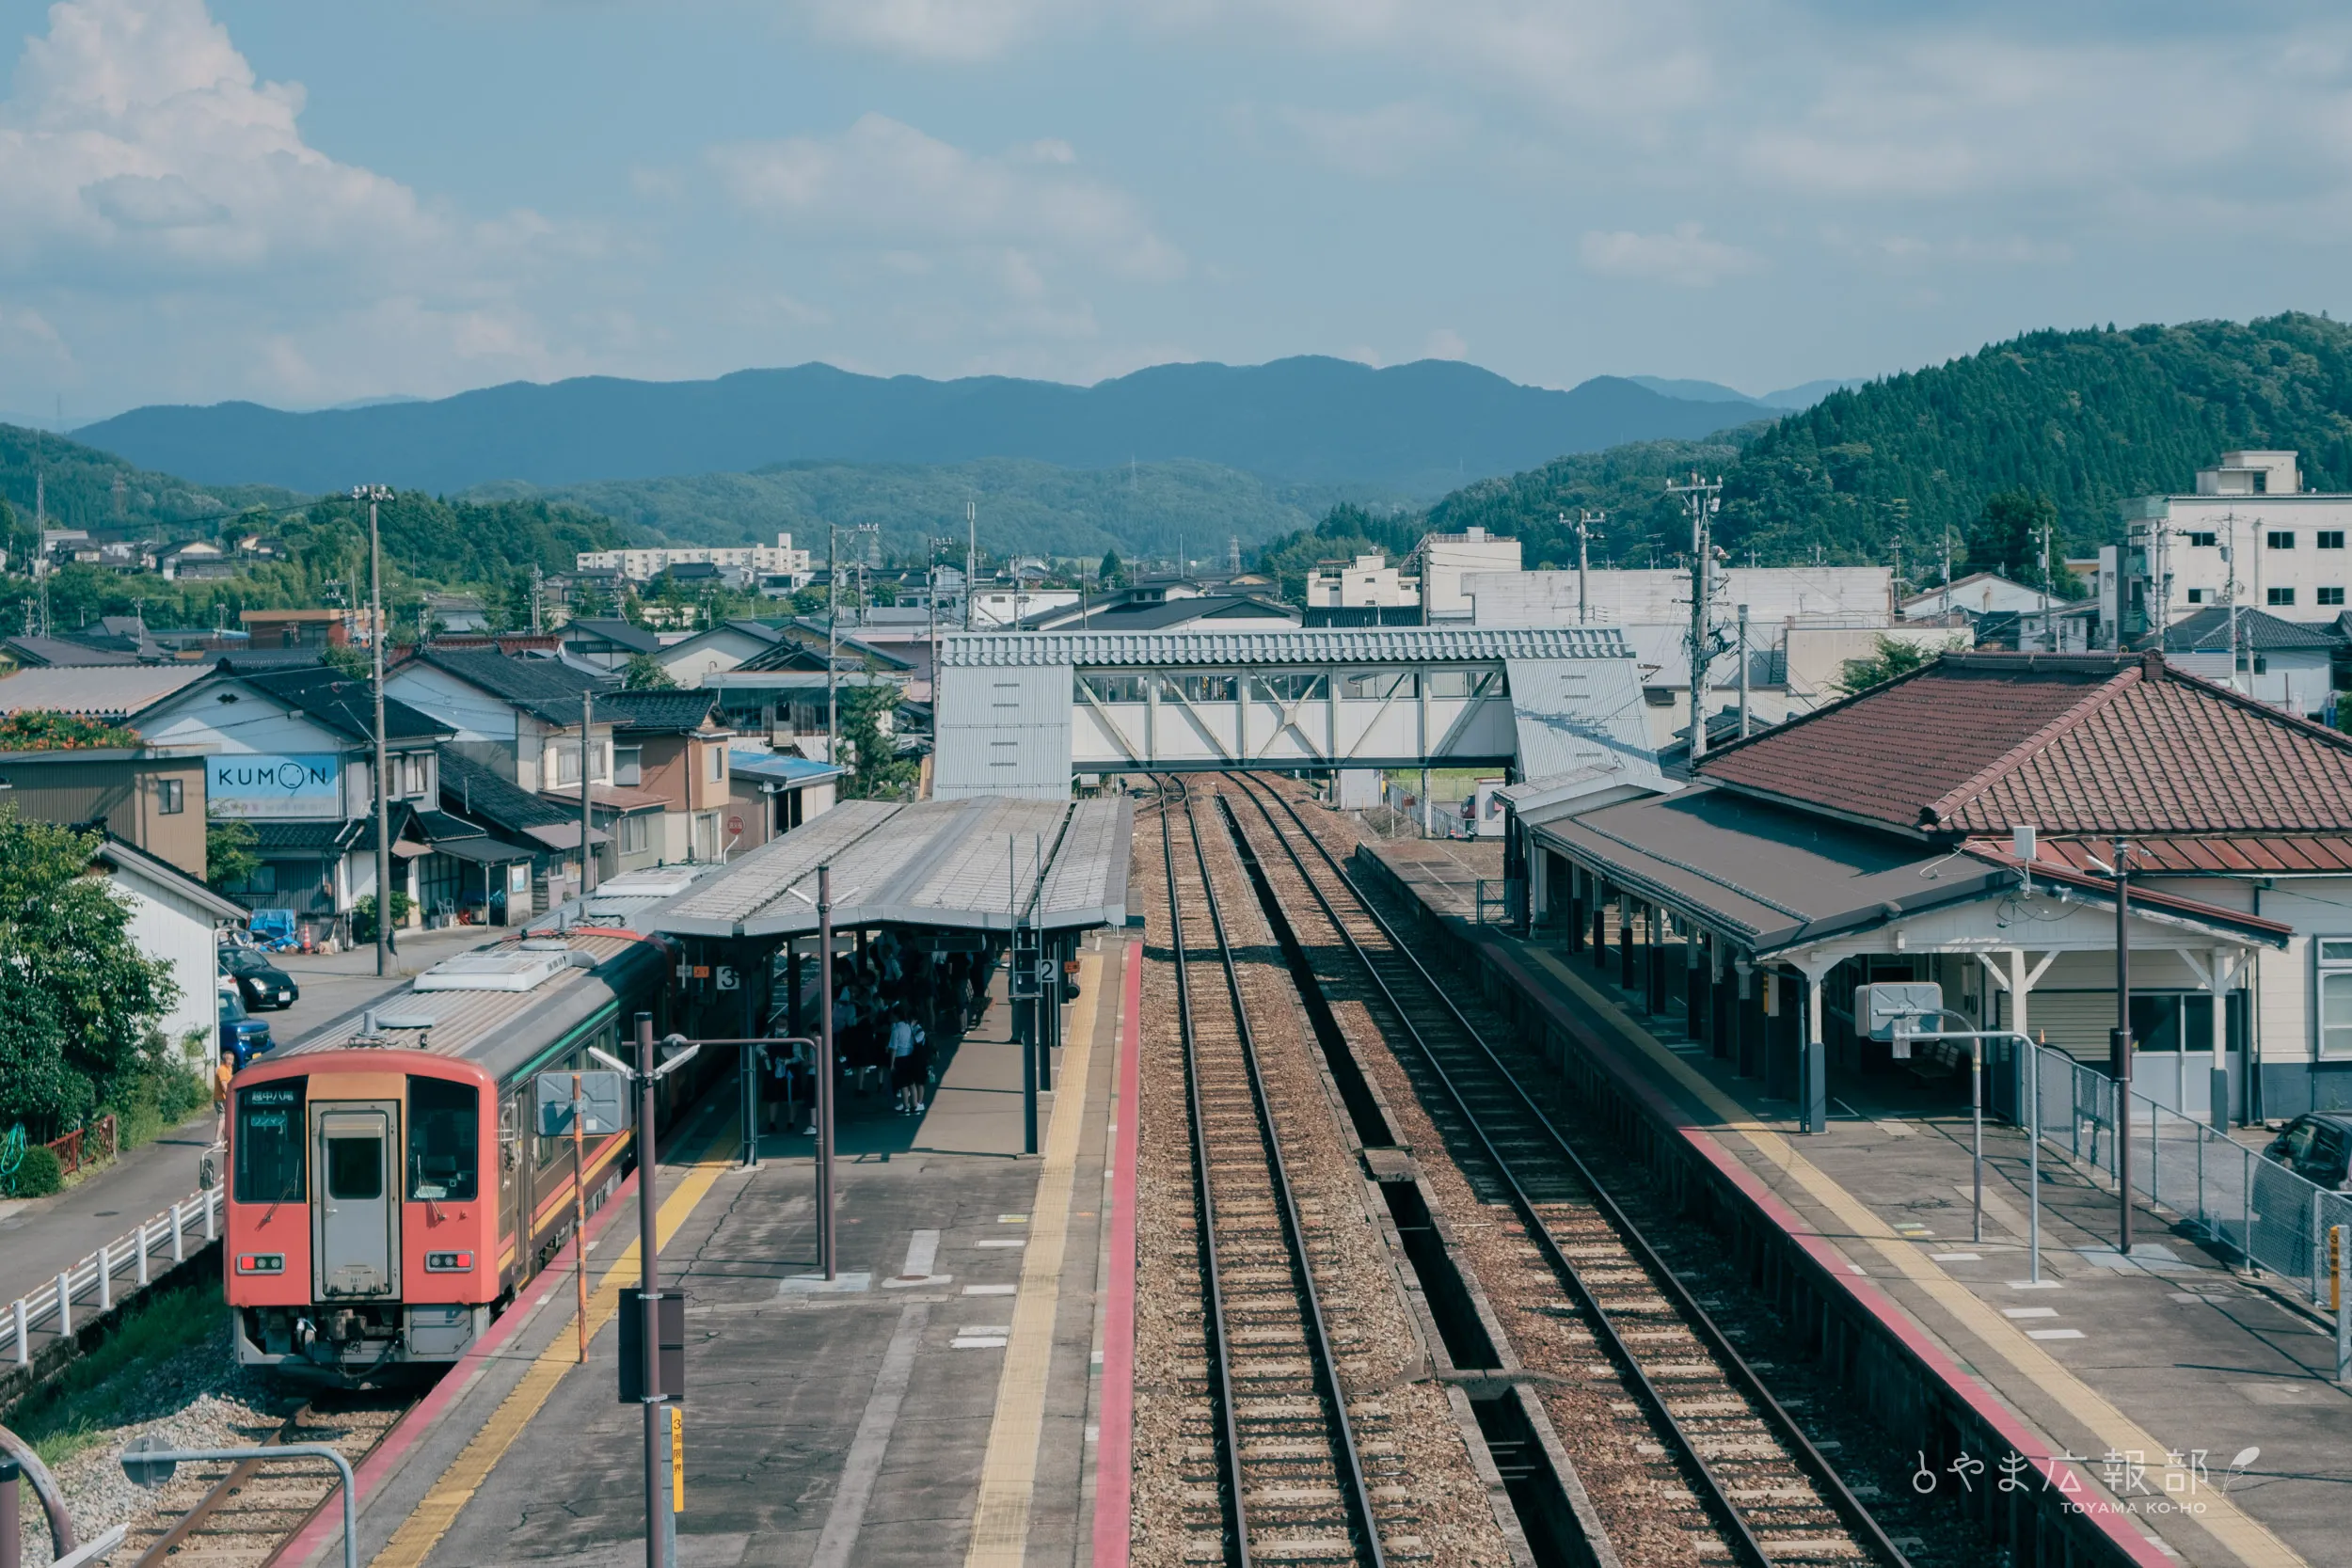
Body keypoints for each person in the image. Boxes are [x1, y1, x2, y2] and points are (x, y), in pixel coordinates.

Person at [213, 1045, 237, 1144]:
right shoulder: (222, 1069)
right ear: (224, 1059)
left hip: (223, 1098)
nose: (230, 1061)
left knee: (224, 1119)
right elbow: (224, 1086)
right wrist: (229, 1096)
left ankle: (227, 1139)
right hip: (221, 1098)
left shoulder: (229, 1069)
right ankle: (216, 1140)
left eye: (232, 1059)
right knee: (222, 1118)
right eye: (228, 1059)